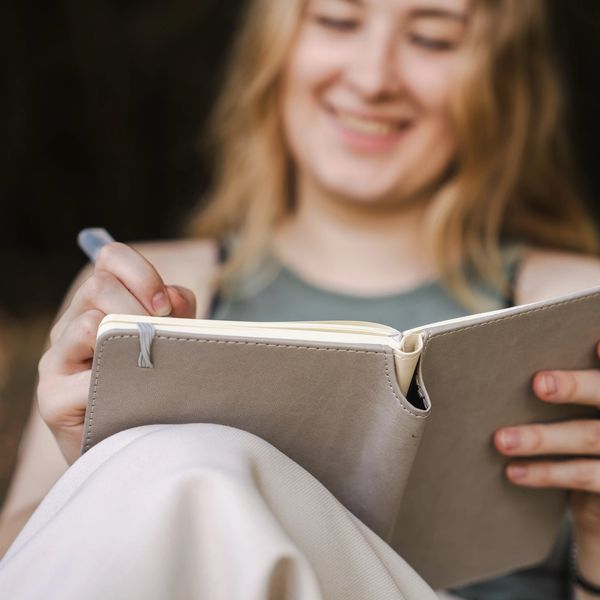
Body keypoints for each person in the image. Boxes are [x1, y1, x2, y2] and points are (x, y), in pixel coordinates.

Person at [1, 0, 600, 597]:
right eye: (338, 22)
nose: (372, 80)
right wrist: (100, 476)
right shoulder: (145, 288)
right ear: (276, 50)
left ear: (502, 79)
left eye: (433, 39)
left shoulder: (578, 302)